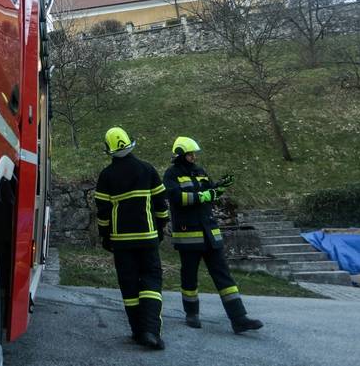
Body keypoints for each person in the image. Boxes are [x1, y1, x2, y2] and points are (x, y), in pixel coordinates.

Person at [163, 136, 264, 334]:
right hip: (189, 236)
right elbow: (175, 197)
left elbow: (211, 195)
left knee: (224, 276)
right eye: (191, 154)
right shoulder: (171, 174)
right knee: (189, 277)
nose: (194, 157)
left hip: (210, 234)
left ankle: (239, 318)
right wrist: (201, 196)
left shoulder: (200, 172)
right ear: (182, 154)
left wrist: (219, 187)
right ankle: (192, 314)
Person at [94, 127, 169, 350]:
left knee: (128, 285)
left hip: (122, 242)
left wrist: (106, 237)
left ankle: (138, 331)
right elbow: (161, 205)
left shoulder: (106, 176)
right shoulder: (147, 169)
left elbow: (103, 212)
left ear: (108, 149)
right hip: (148, 238)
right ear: (129, 143)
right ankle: (151, 331)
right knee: (151, 282)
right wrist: (161, 227)